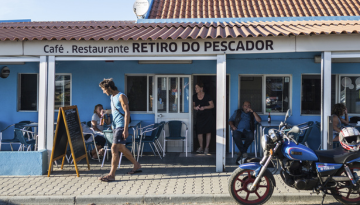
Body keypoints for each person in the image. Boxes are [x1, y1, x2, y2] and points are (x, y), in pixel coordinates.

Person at [98, 78, 141, 182]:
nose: (103, 92)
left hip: (121, 126)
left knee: (114, 149)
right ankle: (136, 165)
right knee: (121, 148)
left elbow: (127, 112)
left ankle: (111, 174)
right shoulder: (112, 97)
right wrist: (106, 112)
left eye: (104, 89)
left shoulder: (121, 96)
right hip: (115, 126)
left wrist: (125, 129)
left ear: (109, 88)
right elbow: (116, 111)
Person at [193, 82, 214, 155]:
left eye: (197, 87)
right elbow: (193, 106)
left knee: (208, 131)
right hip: (199, 116)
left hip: (208, 116)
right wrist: (196, 107)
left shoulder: (207, 96)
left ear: (201, 88)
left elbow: (212, 106)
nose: (195, 89)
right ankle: (201, 147)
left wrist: (204, 107)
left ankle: (207, 147)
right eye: (195, 88)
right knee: (199, 131)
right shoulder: (194, 96)